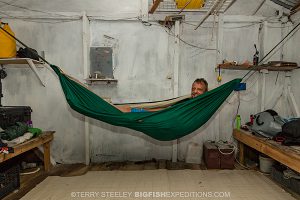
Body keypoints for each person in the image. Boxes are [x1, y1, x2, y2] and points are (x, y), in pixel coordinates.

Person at [115, 78, 208, 112]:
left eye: (199, 89)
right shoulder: (187, 100)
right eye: (193, 89)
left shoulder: (202, 105)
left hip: (163, 116)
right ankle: (109, 107)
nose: (195, 91)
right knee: (128, 108)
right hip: (161, 112)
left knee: (128, 110)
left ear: (205, 92)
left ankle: (108, 108)